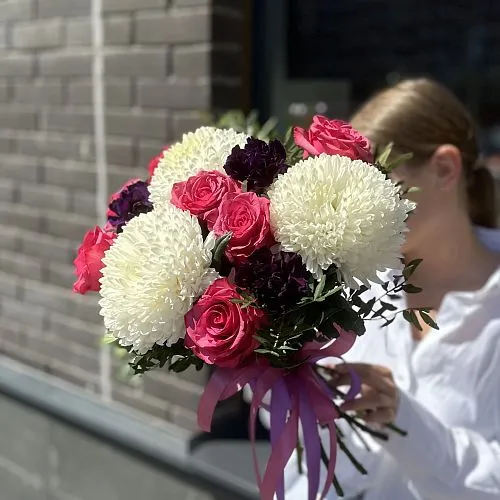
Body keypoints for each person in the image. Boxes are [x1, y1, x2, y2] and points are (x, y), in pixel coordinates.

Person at [281, 78, 500, 499]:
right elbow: (292, 435)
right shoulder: (354, 281)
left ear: (444, 169)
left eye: (383, 187)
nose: (362, 210)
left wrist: (405, 422)